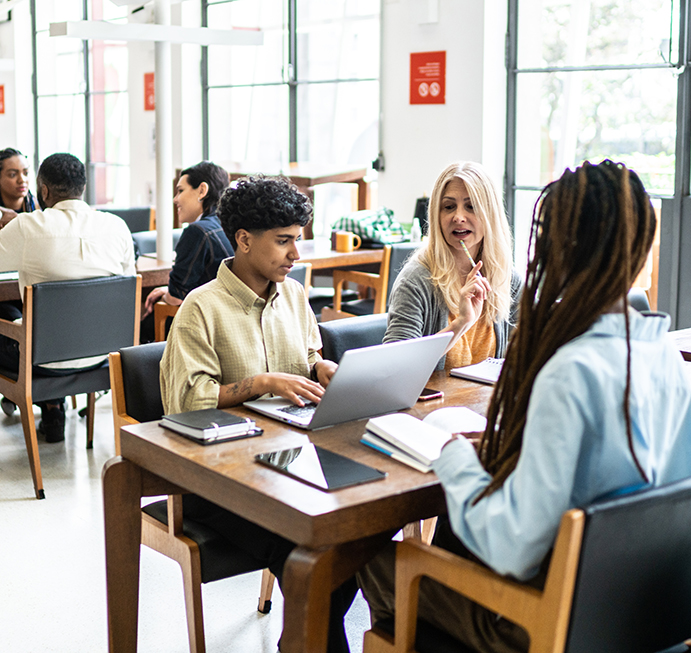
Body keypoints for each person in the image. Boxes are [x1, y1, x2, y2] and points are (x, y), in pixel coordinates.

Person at [357, 161, 691, 653]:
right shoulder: (663, 357)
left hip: (545, 625)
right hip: (643, 619)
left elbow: (513, 547)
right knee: (457, 536)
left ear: (559, 248)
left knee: (369, 555)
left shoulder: (569, 373)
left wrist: (454, 454)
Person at [159, 176, 356, 652]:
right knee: (317, 559)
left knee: (350, 545)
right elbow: (187, 402)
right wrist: (263, 383)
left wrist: (322, 365)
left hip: (287, 461)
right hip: (220, 479)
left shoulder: (292, 293)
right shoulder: (200, 309)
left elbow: (308, 353)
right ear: (244, 240)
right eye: (283, 241)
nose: (295, 254)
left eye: (298, 240)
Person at [0, 153, 136, 461]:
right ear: (83, 187)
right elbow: (122, 286)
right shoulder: (117, 227)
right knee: (11, 316)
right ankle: (54, 410)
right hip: (102, 356)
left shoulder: (31, 227)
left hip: (41, 360)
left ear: (43, 191)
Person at [383, 161, 520, 369]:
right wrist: (461, 323)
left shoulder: (507, 278)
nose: (458, 217)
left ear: (490, 214)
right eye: (448, 207)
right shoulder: (415, 281)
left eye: (471, 206)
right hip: (432, 402)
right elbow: (393, 367)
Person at [141, 161, 234, 321]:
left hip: (204, 324)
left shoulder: (198, 231)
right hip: (228, 317)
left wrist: (167, 296)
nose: (175, 199)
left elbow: (175, 299)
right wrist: (169, 291)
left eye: (180, 191)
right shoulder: (230, 224)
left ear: (202, 191)